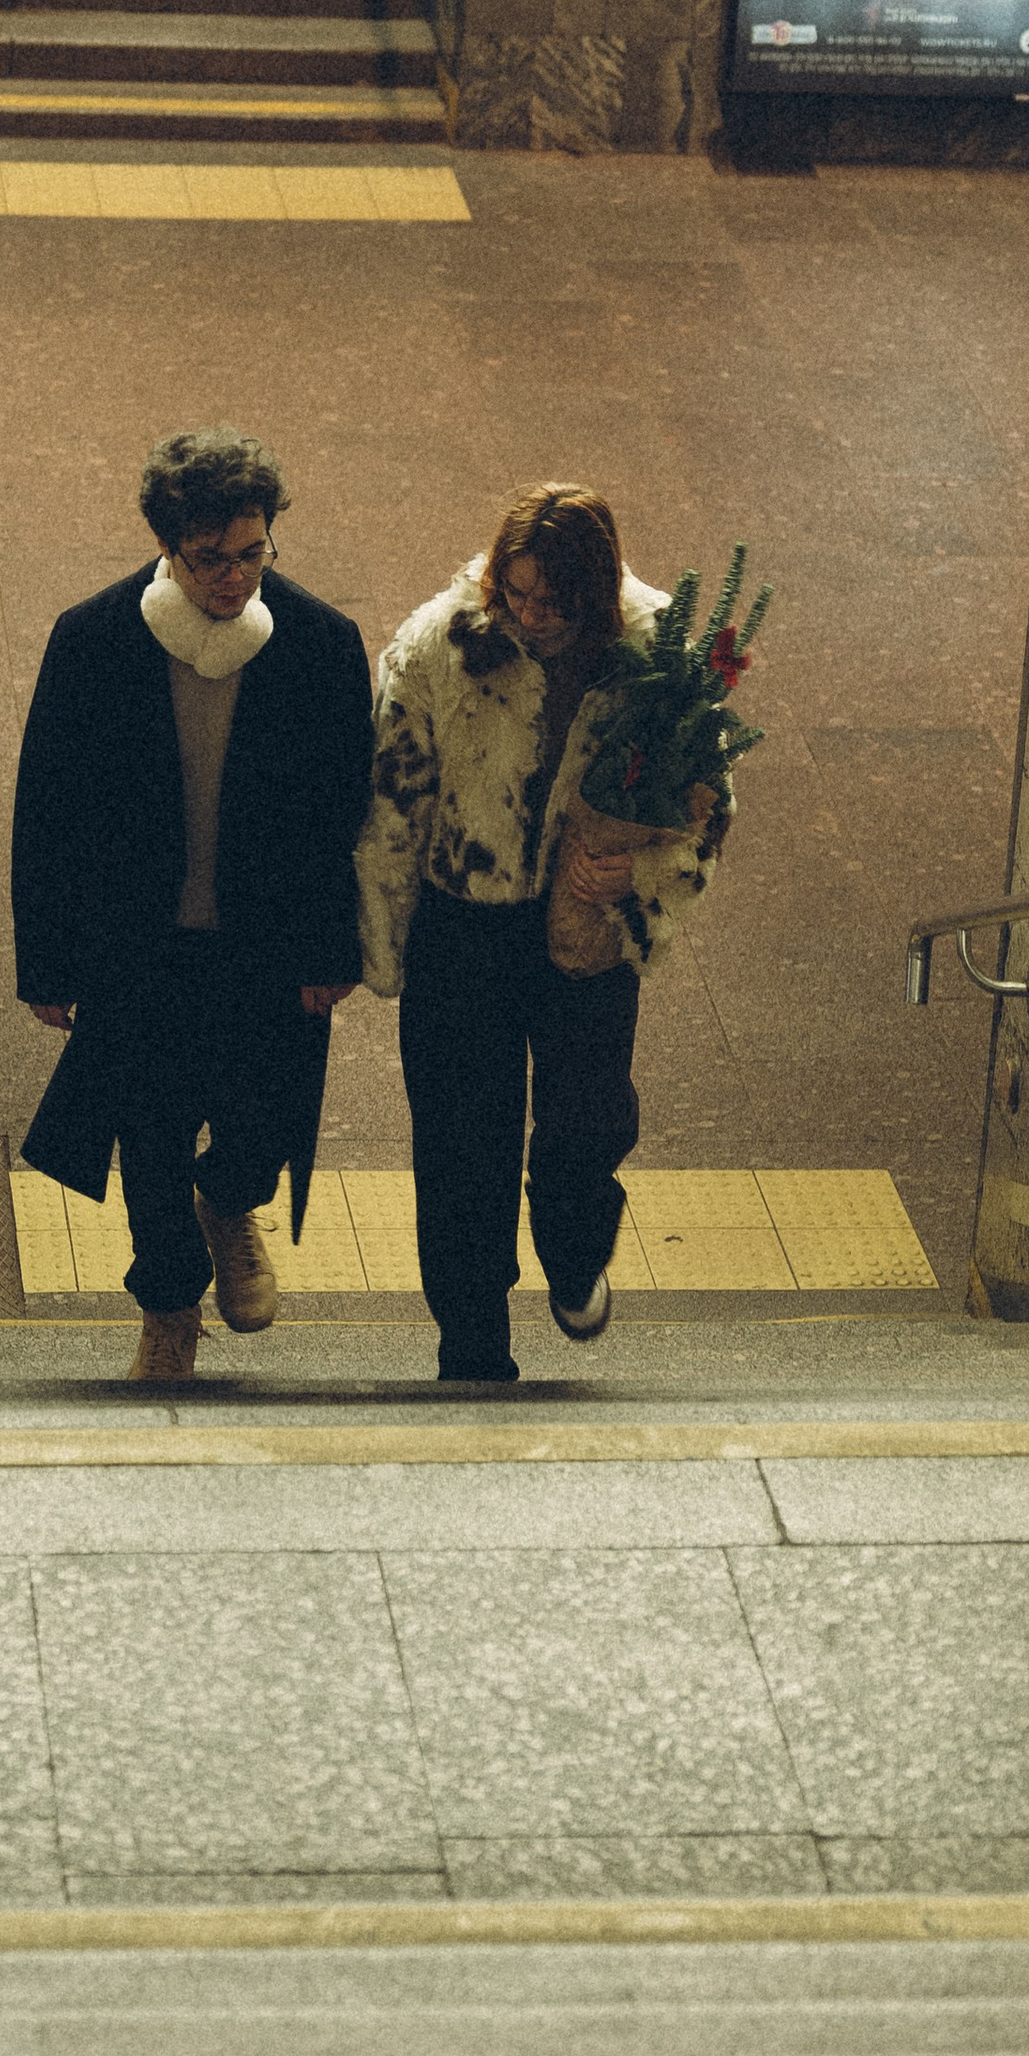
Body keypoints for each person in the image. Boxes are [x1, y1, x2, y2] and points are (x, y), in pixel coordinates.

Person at [13, 428, 373, 1381]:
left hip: (268, 945)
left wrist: (336, 947)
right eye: (210, 558)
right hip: (140, 945)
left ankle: (233, 1200)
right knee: (150, 1133)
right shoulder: (93, 642)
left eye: (253, 552)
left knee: (263, 1123)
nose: (235, 577)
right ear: (167, 549)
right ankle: (168, 1306)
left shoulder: (322, 646)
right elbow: (45, 807)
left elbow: (349, 810)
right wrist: (48, 963)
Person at [356, 483, 731, 1385]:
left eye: (553, 604)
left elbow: (709, 806)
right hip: (462, 925)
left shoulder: (657, 655)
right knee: (458, 1146)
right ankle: (472, 1346)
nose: (529, 617)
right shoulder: (442, 643)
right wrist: (377, 943)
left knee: (585, 1123)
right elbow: (394, 797)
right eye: (514, 595)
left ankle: (573, 1251)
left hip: (586, 927)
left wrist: (637, 878)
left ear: (596, 593)